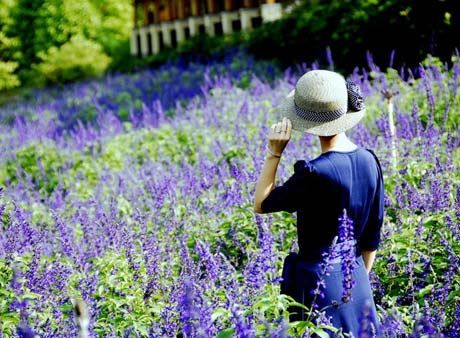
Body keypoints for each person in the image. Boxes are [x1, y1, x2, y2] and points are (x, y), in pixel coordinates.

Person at [253, 70, 384, 337]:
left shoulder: (314, 172)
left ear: (308, 121)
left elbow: (262, 203)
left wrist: (274, 153)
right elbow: (372, 237)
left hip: (318, 287)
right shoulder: (370, 160)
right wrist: (357, 283)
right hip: (358, 282)